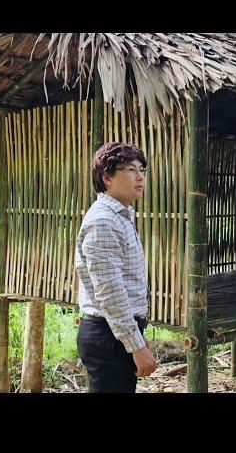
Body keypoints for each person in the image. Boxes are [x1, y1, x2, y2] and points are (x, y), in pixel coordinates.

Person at [75, 141, 157, 393]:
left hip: (115, 333)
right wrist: (136, 346)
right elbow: (110, 293)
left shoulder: (120, 216)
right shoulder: (103, 221)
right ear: (107, 176)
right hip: (108, 335)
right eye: (130, 169)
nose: (140, 176)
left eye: (142, 169)